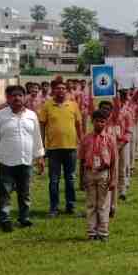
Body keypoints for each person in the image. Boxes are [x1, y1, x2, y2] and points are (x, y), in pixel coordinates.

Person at [0, 85, 45, 232]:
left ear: (24, 97)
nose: (17, 98)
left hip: (26, 160)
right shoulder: (0, 116)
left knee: (25, 191)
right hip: (6, 161)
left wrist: (40, 157)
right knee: (4, 191)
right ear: (8, 98)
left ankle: (24, 217)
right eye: (13, 95)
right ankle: (4, 219)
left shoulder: (31, 115)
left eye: (20, 95)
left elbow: (37, 137)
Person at [38, 77, 83, 217]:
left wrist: (81, 142)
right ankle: (54, 208)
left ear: (66, 91)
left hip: (71, 148)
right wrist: (42, 145)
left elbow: (78, 125)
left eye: (63, 88)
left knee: (70, 178)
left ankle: (71, 206)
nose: (61, 91)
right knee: (54, 179)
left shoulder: (73, 105)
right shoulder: (47, 105)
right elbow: (42, 126)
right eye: (58, 88)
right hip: (53, 149)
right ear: (54, 90)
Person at [79, 109, 117, 241]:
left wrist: (113, 180)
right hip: (89, 173)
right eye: (97, 121)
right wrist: (81, 178)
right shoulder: (86, 139)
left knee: (103, 204)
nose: (99, 124)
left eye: (102, 121)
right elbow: (82, 160)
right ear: (92, 122)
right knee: (91, 204)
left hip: (103, 174)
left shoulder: (110, 139)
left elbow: (113, 162)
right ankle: (91, 232)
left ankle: (103, 232)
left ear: (106, 123)